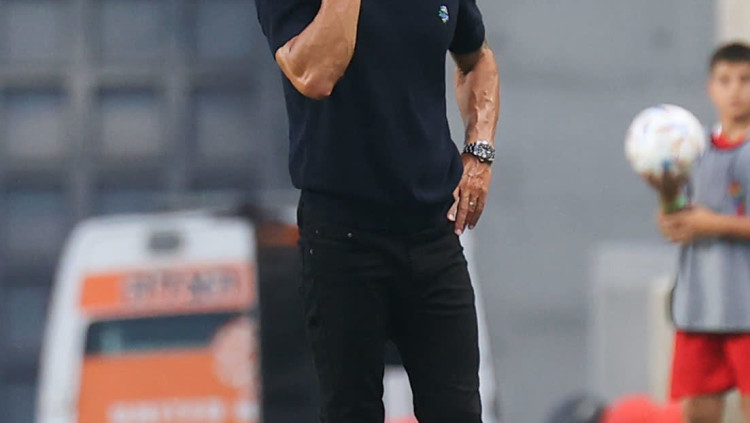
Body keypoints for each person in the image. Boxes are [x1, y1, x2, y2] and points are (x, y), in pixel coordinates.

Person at [254, 0, 500, 422]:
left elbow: (476, 58)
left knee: (459, 410)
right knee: (352, 410)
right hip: (343, 234)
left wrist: (479, 152)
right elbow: (316, 74)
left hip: (433, 230)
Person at [652, 42, 750, 423]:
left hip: (745, 306)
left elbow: (705, 222)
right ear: (711, 88)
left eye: (745, 79)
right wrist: (667, 200)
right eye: (725, 80)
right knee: (697, 412)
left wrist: (715, 224)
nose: (735, 89)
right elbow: (677, 221)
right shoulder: (692, 150)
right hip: (701, 304)